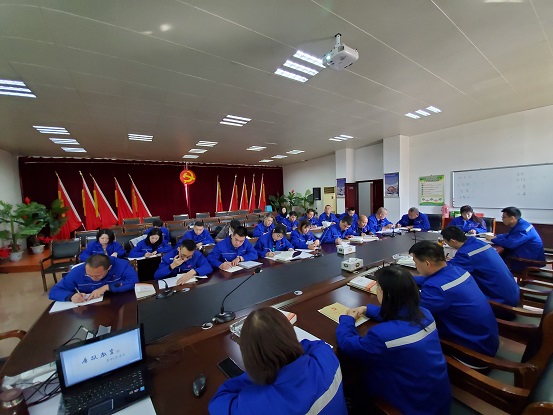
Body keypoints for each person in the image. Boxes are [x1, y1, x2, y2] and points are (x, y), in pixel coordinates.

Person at [336, 266, 451, 415]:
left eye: (378, 287)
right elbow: (399, 313)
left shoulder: (383, 335)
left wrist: (347, 320)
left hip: (413, 406)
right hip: (437, 398)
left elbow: (349, 346)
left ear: (387, 294)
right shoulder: (425, 314)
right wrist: (367, 309)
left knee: (355, 378)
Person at [209, 307, 347, 415]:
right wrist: (286, 349)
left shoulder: (257, 406)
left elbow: (218, 402)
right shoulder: (325, 354)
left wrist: (256, 372)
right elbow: (310, 345)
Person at [409, 241, 499, 357]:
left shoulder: (436, 289)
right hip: (487, 339)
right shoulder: (457, 271)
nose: (416, 266)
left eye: (415, 262)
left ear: (427, 264)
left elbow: (413, 313)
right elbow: (432, 280)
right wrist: (405, 278)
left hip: (473, 352)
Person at [441, 226, 519, 306]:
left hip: (500, 300)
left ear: (453, 241)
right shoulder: (477, 242)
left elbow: (447, 270)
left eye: (446, 242)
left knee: (452, 296)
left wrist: (443, 262)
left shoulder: (465, 254)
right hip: (513, 292)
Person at [49, 254, 138, 302]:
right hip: (89, 308)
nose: (93, 278)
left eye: (98, 275)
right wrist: (71, 296)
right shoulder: (77, 271)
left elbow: (133, 281)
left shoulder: (121, 265)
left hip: (119, 302)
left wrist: (107, 287)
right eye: (89, 275)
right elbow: (54, 291)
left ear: (109, 268)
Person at [486, 206, 545, 272]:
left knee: (492, 260)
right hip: (524, 254)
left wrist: (493, 239)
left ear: (512, 218)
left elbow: (510, 244)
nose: (502, 219)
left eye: (504, 217)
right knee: (495, 256)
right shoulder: (521, 224)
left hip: (527, 262)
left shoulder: (523, 229)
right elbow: (509, 235)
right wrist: (496, 236)